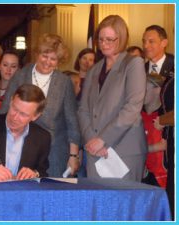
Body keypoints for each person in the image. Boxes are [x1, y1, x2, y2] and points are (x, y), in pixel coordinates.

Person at [0, 33, 80, 177]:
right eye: (44, 55)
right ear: (37, 53)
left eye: (53, 58)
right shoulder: (20, 76)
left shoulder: (64, 83)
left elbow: (72, 123)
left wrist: (73, 157)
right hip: (21, 151)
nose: (47, 62)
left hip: (54, 154)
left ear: (59, 61)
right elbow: (4, 111)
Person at [77, 15, 147, 182]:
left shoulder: (133, 63)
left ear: (121, 39)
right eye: (100, 39)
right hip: (94, 151)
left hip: (125, 151)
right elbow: (83, 109)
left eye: (109, 39)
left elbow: (133, 106)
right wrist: (92, 140)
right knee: (100, 205)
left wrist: (103, 139)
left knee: (125, 206)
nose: (103, 44)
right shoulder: (94, 69)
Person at [143, 24, 174, 218]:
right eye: (144, 41)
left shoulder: (174, 66)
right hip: (145, 134)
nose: (146, 45)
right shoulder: (137, 67)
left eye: (151, 41)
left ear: (164, 42)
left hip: (168, 136)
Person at [141, 80, 167, 188]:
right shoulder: (135, 114)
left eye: (145, 89)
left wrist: (140, 150)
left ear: (158, 90)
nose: (141, 93)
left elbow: (165, 144)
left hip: (161, 177)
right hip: (140, 173)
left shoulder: (167, 116)